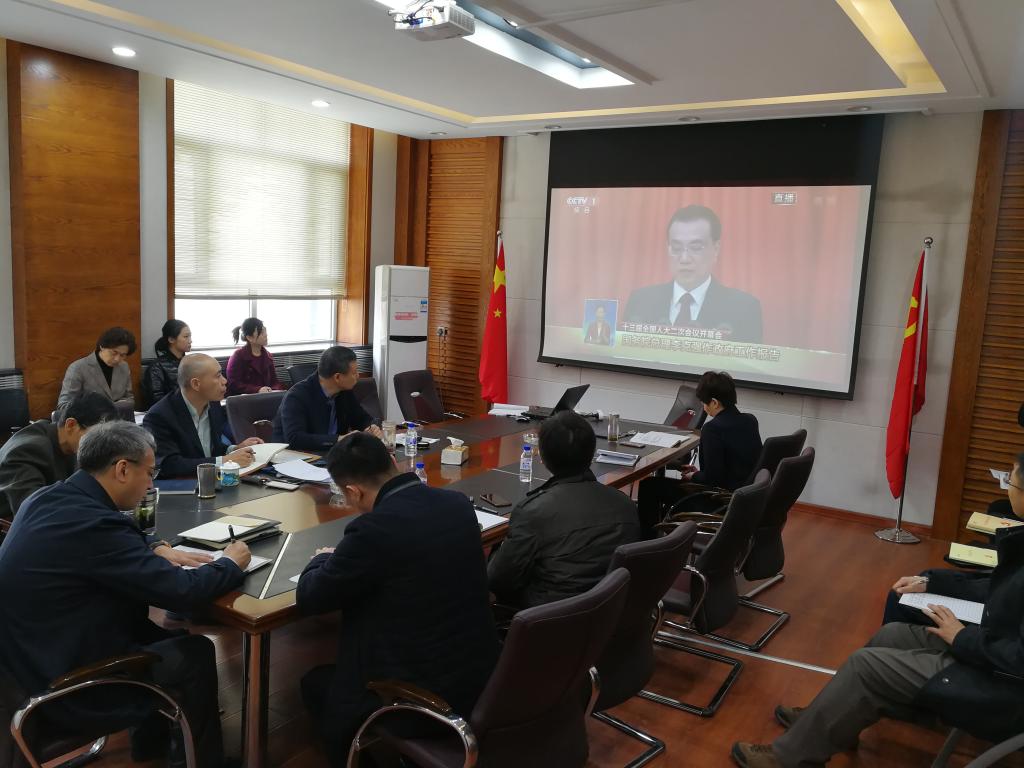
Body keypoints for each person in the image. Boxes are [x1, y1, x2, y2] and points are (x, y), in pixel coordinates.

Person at [731, 453, 1024, 768]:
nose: (1006, 487)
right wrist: (932, 582)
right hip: (992, 654)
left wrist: (963, 638)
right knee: (892, 634)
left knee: (866, 666)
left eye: (1011, 480)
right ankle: (828, 722)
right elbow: (996, 589)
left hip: (1003, 686)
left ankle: (790, 758)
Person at [0, 421, 251, 767]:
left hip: (29, 657)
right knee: (195, 652)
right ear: (121, 469)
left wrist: (153, 547)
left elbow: (109, 540)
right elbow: (183, 593)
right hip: (66, 686)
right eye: (149, 473)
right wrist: (231, 563)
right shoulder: (95, 527)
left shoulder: (49, 497)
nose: (151, 484)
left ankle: (150, 744)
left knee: (153, 633)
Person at [296, 432, 499, 765]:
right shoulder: (457, 504)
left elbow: (310, 597)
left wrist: (322, 559)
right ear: (392, 461)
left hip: (423, 700)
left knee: (316, 685)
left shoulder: (373, 531)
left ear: (353, 491)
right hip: (484, 679)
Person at [488, 410, 642, 608]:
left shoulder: (532, 512)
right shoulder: (625, 504)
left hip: (549, 615)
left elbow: (498, 580)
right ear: (592, 453)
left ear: (542, 457)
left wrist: (496, 550)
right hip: (610, 610)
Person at [636, 371, 762, 531]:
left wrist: (694, 476)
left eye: (704, 403)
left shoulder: (712, 429)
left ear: (714, 403)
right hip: (743, 497)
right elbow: (731, 465)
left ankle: (647, 538)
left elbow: (712, 479)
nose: (704, 407)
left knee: (649, 486)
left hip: (716, 500)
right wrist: (699, 473)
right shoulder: (750, 420)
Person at [624, 205, 763, 343]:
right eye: (676, 248)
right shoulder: (640, 301)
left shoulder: (743, 308)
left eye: (695, 248)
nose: (684, 259)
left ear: (716, 249)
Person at [0, 392, 117, 521]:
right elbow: (33, 512)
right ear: (71, 425)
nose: (102, 445)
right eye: (97, 437)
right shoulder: (27, 450)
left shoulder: (72, 445)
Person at [143, 353, 262, 477]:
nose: (224, 381)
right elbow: (169, 465)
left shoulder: (213, 404)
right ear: (196, 384)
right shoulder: (159, 416)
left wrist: (235, 449)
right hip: (184, 484)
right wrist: (224, 461)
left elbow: (207, 449)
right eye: (218, 376)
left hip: (211, 480)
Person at [272, 345, 382, 451]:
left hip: (332, 454)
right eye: (354, 373)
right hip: (295, 457)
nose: (358, 376)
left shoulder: (344, 391)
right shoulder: (297, 396)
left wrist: (371, 427)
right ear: (337, 377)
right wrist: (338, 439)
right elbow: (295, 439)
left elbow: (361, 418)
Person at [57, 326, 137, 413]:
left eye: (122, 355)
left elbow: (129, 398)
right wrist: (99, 409)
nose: (117, 359)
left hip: (118, 418)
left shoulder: (124, 366)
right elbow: (63, 405)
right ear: (102, 346)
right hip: (89, 418)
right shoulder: (78, 368)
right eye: (114, 353)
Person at [225, 317, 285, 397]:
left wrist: (276, 390)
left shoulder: (268, 356)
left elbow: (274, 381)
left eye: (265, 331)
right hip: (245, 400)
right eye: (262, 332)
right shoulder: (238, 356)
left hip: (265, 397)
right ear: (250, 338)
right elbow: (233, 383)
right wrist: (257, 390)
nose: (266, 335)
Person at [142, 319, 192, 409]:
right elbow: (156, 399)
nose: (190, 341)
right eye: (186, 337)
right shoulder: (157, 367)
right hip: (171, 411)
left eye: (190, 336)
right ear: (171, 339)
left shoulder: (191, 362)